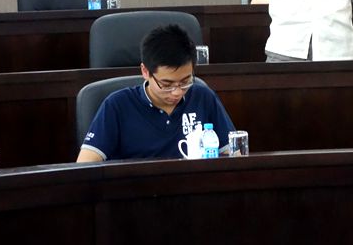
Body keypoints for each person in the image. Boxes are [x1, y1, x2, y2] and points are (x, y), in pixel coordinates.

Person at [77, 24, 236, 162]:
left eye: (185, 81)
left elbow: (234, 155)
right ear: (145, 71)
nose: (177, 92)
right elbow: (86, 165)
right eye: (166, 84)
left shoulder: (203, 98)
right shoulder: (117, 105)